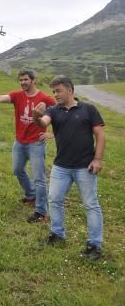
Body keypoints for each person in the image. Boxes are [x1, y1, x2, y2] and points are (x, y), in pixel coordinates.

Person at [33, 75, 105, 260]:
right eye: (53, 91)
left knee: (90, 204)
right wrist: (36, 115)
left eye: (58, 91)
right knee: (54, 200)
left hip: (85, 167)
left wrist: (97, 159)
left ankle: (95, 244)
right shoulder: (53, 110)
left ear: (70, 90)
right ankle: (57, 234)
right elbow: (43, 124)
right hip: (61, 167)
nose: (55, 95)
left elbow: (100, 135)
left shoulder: (88, 109)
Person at [0, 69, 56, 222]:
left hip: (36, 143)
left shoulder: (45, 98)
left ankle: (41, 211)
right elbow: (1, 98)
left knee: (39, 177)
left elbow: (59, 113)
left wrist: (52, 134)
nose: (23, 83)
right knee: (17, 170)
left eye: (26, 80)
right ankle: (31, 194)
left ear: (33, 80)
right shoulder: (17, 95)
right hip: (20, 141)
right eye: (20, 80)